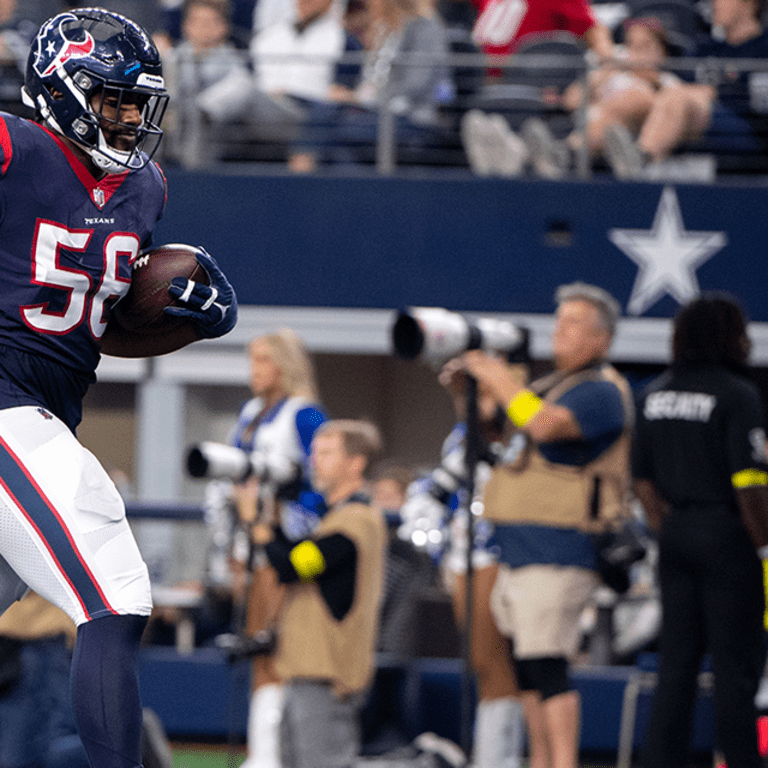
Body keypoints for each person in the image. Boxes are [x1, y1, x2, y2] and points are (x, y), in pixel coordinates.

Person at [0, 8, 237, 768]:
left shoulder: (144, 189)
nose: (131, 117)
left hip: (45, 407)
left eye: (139, 103)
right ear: (63, 90)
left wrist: (190, 321)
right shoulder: (15, 146)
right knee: (116, 590)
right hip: (5, 404)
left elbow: (94, 330)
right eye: (115, 99)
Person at [449, 282, 633, 768]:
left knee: (548, 665)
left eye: (573, 324)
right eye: (559, 321)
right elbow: (501, 438)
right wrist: (469, 392)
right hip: (519, 551)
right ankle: (541, 760)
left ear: (602, 340)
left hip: (561, 551)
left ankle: (563, 762)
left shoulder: (601, 391)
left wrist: (495, 373)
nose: (559, 332)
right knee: (527, 669)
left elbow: (545, 426)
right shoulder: (550, 386)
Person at [632, 293, 768, 768]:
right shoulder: (738, 395)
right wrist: (765, 549)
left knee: (677, 666)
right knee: (735, 670)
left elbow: (643, 481)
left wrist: (667, 527)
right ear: (729, 336)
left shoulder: (652, 393)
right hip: (729, 538)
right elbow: (749, 482)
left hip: (675, 538)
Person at [399, 375, 526, 768]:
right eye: (464, 396)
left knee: (497, 667)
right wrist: (439, 545)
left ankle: (498, 758)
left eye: (482, 393)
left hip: (499, 558)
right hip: (465, 558)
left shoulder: (519, 437)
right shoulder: (458, 439)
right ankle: (493, 755)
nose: (470, 403)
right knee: (482, 666)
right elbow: (436, 495)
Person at [223, 329, 328, 768]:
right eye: (252, 361)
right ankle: (260, 750)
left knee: (274, 647)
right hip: (247, 542)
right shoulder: (249, 414)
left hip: (284, 548)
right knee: (254, 647)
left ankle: (272, 754)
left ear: (285, 365)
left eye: (264, 361)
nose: (255, 371)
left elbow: (322, 485)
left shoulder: (305, 416)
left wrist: (281, 519)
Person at [263, 419, 387, 768]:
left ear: (356, 462)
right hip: (307, 670)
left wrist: (261, 531)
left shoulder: (356, 520)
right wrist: (271, 521)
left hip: (327, 673)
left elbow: (294, 566)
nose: (316, 461)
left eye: (328, 453)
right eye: (315, 453)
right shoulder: (336, 519)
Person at [604, 0, 768, 179]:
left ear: (749, 3)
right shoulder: (705, 48)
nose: (715, 3)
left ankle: (639, 161)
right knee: (635, 98)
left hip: (745, 134)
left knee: (677, 97)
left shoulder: (763, 48)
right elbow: (672, 82)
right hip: (688, 120)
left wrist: (711, 93)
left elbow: (754, 101)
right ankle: (575, 152)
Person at [287, 0, 454, 172]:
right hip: (374, 110)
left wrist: (361, 97)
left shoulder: (425, 28)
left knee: (335, 131)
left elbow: (417, 83)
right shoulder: (382, 30)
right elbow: (368, 78)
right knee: (324, 112)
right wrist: (354, 95)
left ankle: (299, 175)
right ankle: (334, 189)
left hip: (409, 116)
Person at [460, 0, 614, 177]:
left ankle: (519, 154)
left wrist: (592, 81)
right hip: (483, 93)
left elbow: (599, 39)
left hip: (538, 94)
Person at [160, 0, 253, 167]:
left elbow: (238, 90)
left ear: (223, 27)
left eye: (209, 22)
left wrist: (200, 107)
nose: (202, 28)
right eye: (196, 21)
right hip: (170, 135)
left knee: (200, 112)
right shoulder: (172, 59)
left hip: (216, 143)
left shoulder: (235, 64)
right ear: (185, 26)